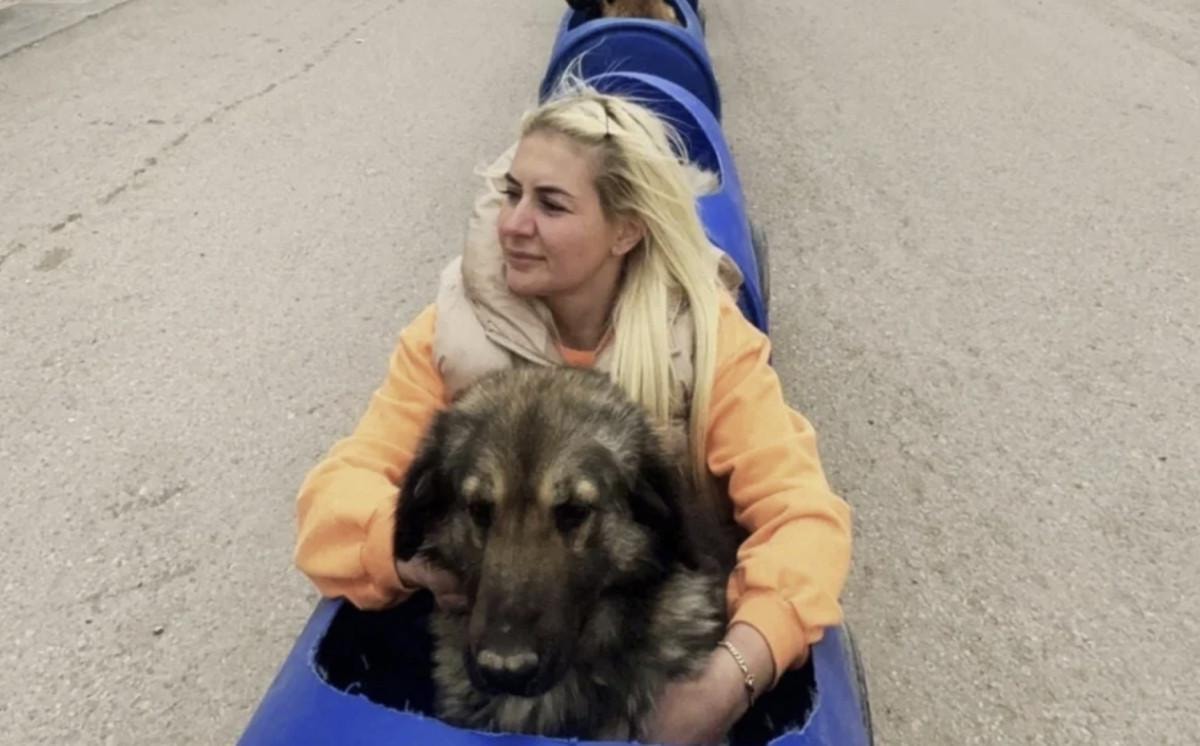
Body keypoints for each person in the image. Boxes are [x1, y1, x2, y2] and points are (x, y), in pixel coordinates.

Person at [293, 76, 852, 745]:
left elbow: (802, 518)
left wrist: (730, 679)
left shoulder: (709, 341)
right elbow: (335, 496)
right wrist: (404, 553)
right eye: (511, 194)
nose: (513, 225)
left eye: (551, 205)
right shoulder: (447, 334)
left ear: (625, 230)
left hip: (653, 639)